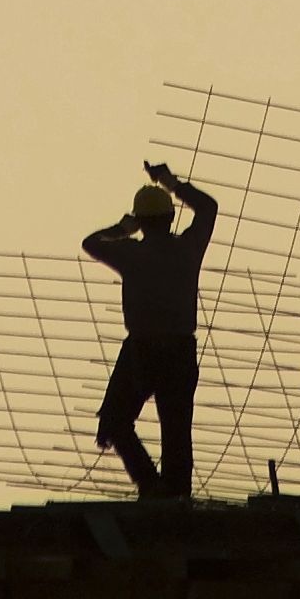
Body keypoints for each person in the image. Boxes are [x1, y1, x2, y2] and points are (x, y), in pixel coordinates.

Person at [83, 161, 218, 498]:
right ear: (170, 217)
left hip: (142, 349)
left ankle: (151, 485)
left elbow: (91, 242)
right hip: (179, 350)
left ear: (140, 222)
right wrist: (170, 182)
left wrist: (122, 228)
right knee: (176, 432)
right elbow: (208, 207)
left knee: (114, 421)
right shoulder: (187, 249)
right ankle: (174, 496)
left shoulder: (131, 252)